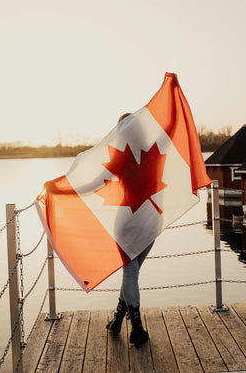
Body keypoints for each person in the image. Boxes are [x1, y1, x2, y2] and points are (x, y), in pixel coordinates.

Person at [106, 113, 153, 347]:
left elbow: (93, 182)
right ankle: (126, 324)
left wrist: (57, 189)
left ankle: (127, 324)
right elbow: (174, 126)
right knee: (132, 275)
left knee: (130, 275)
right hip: (151, 221)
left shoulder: (119, 158)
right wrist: (173, 89)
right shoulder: (153, 150)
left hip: (128, 222)